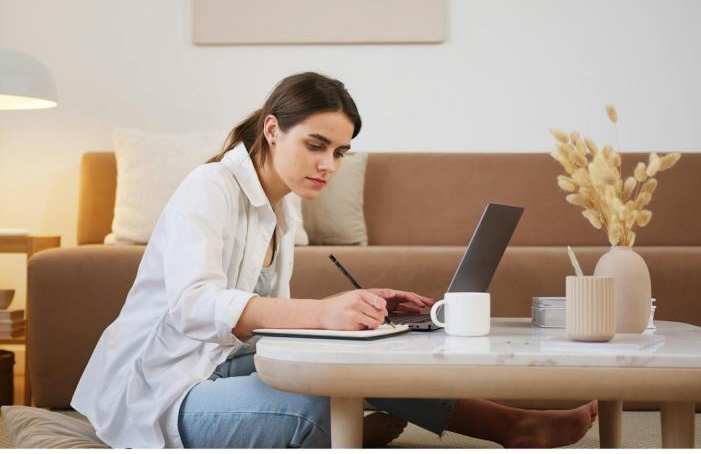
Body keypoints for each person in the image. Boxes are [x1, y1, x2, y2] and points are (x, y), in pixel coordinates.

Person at [71, 72, 598, 448]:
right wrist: (323, 313)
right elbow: (193, 306)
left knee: (365, 357)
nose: (328, 165)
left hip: (217, 364)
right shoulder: (210, 187)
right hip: (160, 390)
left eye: (339, 152)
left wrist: (353, 311)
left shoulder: (282, 207)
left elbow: (264, 322)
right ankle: (350, 435)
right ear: (272, 130)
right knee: (319, 406)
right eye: (316, 145)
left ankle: (513, 426)